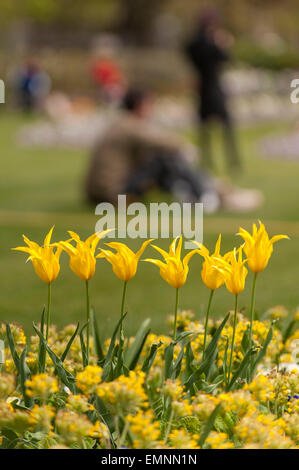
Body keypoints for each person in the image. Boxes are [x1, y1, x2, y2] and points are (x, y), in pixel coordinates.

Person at [85, 88, 220, 211]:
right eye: (149, 104)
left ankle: (194, 192)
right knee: (163, 159)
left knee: (161, 161)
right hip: (113, 193)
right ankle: (204, 193)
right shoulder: (129, 125)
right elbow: (162, 141)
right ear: (140, 105)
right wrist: (187, 148)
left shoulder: (120, 123)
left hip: (97, 193)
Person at [185, 8, 242, 172]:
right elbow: (225, 59)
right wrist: (223, 44)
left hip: (202, 88)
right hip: (214, 88)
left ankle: (207, 161)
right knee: (226, 127)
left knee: (204, 130)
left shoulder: (194, 43)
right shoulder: (211, 43)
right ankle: (233, 161)